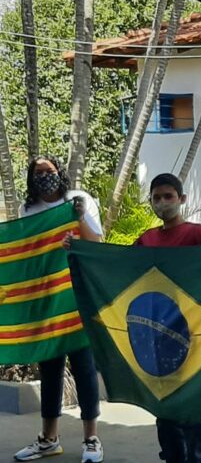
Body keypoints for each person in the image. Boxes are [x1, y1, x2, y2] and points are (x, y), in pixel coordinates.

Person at [14, 156, 104, 463]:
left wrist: (78, 220)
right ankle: (48, 439)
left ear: (59, 173)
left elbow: (97, 243)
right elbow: (28, 256)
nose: (44, 177)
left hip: (76, 296)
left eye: (48, 171)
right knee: (50, 369)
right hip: (46, 300)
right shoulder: (29, 211)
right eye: (37, 173)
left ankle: (91, 439)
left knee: (84, 368)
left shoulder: (78, 201)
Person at [135, 173, 201, 463]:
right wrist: (80, 251)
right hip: (157, 335)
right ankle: (172, 455)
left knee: (194, 398)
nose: (162, 202)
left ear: (181, 199)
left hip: (194, 332)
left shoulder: (198, 234)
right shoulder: (147, 240)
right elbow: (118, 268)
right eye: (156, 198)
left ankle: (197, 455)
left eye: (168, 196)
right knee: (166, 401)